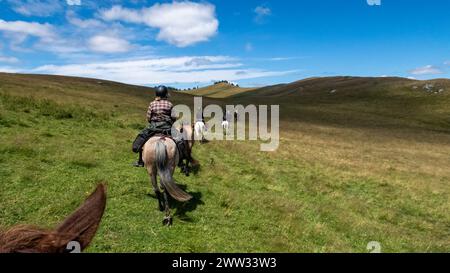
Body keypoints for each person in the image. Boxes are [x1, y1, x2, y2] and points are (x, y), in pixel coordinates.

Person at [132, 86, 189, 168]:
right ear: (165, 95)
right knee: (180, 141)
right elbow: (174, 118)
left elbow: (148, 117)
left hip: (153, 127)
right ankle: (180, 161)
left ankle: (140, 161)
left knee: (142, 138)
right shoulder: (169, 104)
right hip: (167, 128)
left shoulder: (152, 104)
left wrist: (153, 122)